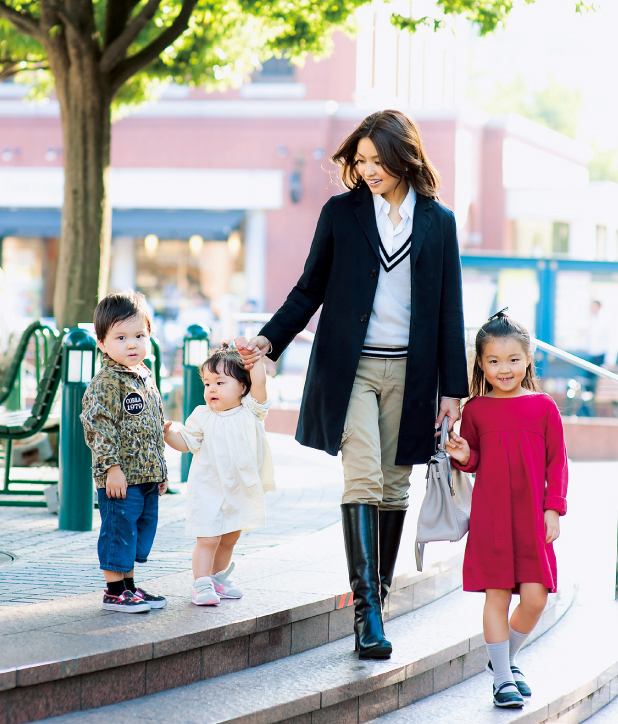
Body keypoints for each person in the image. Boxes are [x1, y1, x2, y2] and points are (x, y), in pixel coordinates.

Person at [236, 110, 468, 660]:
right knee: (362, 477)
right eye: (359, 160)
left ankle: (380, 601)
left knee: (392, 487)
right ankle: (366, 616)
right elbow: (308, 287)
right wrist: (271, 340)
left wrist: (452, 390)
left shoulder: (438, 223)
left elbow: (449, 309)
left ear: (403, 157)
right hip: (353, 371)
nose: (366, 170)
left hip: (413, 376)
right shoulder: (341, 214)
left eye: (376, 160)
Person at [446, 310, 568, 709]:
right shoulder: (477, 410)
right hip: (492, 519)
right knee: (496, 596)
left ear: (528, 359)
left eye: (513, 360)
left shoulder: (544, 407)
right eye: (494, 361)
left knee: (535, 598)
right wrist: (465, 455)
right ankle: (502, 679)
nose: (504, 368)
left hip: (533, 517)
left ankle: (505, 662)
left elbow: (557, 463)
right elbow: (474, 459)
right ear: (481, 363)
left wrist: (553, 509)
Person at [163, 339, 274, 606]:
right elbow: (186, 443)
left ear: (243, 387)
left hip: (239, 490)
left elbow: (260, 382)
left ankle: (217, 579)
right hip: (208, 489)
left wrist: (252, 357)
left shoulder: (251, 409)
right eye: (207, 383)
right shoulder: (202, 416)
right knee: (209, 537)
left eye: (220, 383)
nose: (211, 389)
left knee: (229, 537)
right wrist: (168, 434)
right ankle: (200, 583)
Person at [81, 291, 168, 613]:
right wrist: (111, 469)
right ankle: (114, 591)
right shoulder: (106, 382)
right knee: (118, 531)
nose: (131, 344)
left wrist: (160, 472)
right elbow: (99, 428)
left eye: (139, 335)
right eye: (120, 337)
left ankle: (129, 587)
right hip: (120, 479)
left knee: (135, 533)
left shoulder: (144, 376)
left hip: (146, 476)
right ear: (102, 343)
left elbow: (154, 425)